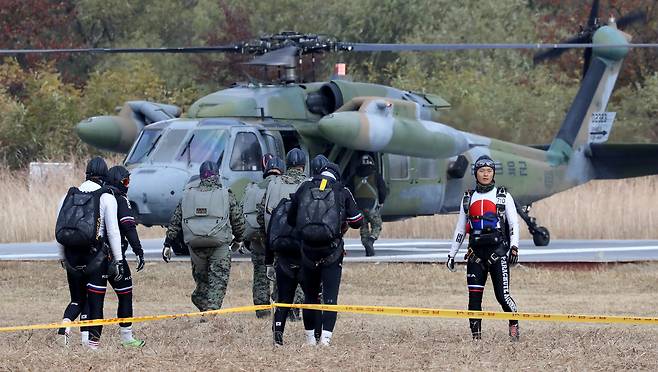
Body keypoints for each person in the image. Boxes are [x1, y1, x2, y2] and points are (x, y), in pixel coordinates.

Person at [287, 162, 363, 346]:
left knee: (310, 297)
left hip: (307, 252)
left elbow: (291, 219)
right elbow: (357, 221)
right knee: (330, 297)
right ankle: (326, 340)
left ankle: (310, 339)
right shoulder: (342, 190)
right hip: (331, 252)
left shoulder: (305, 187)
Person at [446, 155, 520, 340]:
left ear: (493, 173)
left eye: (489, 171)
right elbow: (461, 228)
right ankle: (476, 339)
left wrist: (514, 248)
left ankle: (514, 324)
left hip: (498, 253)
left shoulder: (503, 196)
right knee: (474, 299)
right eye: (481, 171)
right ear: (475, 173)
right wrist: (451, 254)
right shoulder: (468, 198)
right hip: (475, 255)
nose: (486, 174)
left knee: (502, 297)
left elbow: (513, 225)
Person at [55, 156, 124, 349]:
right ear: (104, 176)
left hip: (71, 256)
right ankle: (90, 345)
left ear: (86, 173)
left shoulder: (68, 196)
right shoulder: (106, 197)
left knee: (77, 299)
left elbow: (60, 230)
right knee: (95, 302)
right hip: (95, 258)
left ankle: (66, 326)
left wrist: (62, 256)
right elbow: (112, 231)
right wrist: (118, 260)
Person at [162, 161, 245, 311]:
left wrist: (167, 244)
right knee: (218, 280)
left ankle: (201, 302)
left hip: (195, 246)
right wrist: (239, 239)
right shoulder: (226, 194)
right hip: (219, 245)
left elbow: (175, 221)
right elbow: (238, 220)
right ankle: (210, 313)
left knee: (202, 282)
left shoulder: (187, 195)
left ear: (201, 177)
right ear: (217, 176)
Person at [258, 149, 308, 322]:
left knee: (281, 277)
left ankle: (281, 309)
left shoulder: (274, 184)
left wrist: (269, 239)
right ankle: (296, 309)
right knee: (304, 275)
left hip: (279, 240)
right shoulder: (308, 184)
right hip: (302, 241)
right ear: (303, 165)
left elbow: (262, 213)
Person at [100, 165, 146, 347]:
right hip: (114, 256)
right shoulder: (119, 199)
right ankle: (127, 338)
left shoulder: (98, 196)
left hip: (94, 256)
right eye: (126, 181)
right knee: (125, 295)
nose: (128, 185)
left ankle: (89, 339)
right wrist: (139, 251)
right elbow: (128, 227)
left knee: (93, 298)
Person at [242, 154, 283, 318]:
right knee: (282, 275)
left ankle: (262, 311)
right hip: (279, 240)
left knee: (260, 277)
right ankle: (282, 306)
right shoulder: (282, 187)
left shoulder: (253, 188)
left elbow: (243, 212)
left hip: (257, 241)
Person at [349, 154, 387, 257]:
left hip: (359, 206)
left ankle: (367, 246)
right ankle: (371, 240)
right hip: (372, 206)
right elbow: (383, 190)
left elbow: (349, 191)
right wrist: (381, 201)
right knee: (377, 225)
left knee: (363, 228)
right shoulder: (376, 176)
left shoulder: (354, 177)